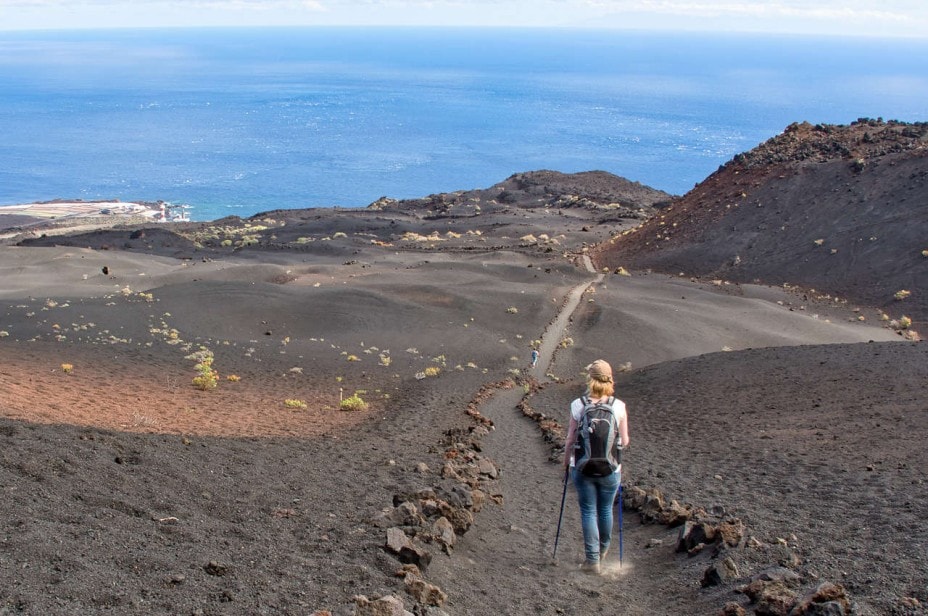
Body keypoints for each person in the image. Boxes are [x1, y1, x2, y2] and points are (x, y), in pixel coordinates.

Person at [563, 359, 630, 574]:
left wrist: (566, 462)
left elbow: (570, 439)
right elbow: (625, 441)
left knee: (588, 510)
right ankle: (602, 551)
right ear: (610, 379)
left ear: (590, 379)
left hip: (582, 468)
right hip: (610, 469)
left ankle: (592, 561)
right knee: (605, 509)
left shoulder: (578, 404)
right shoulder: (618, 406)